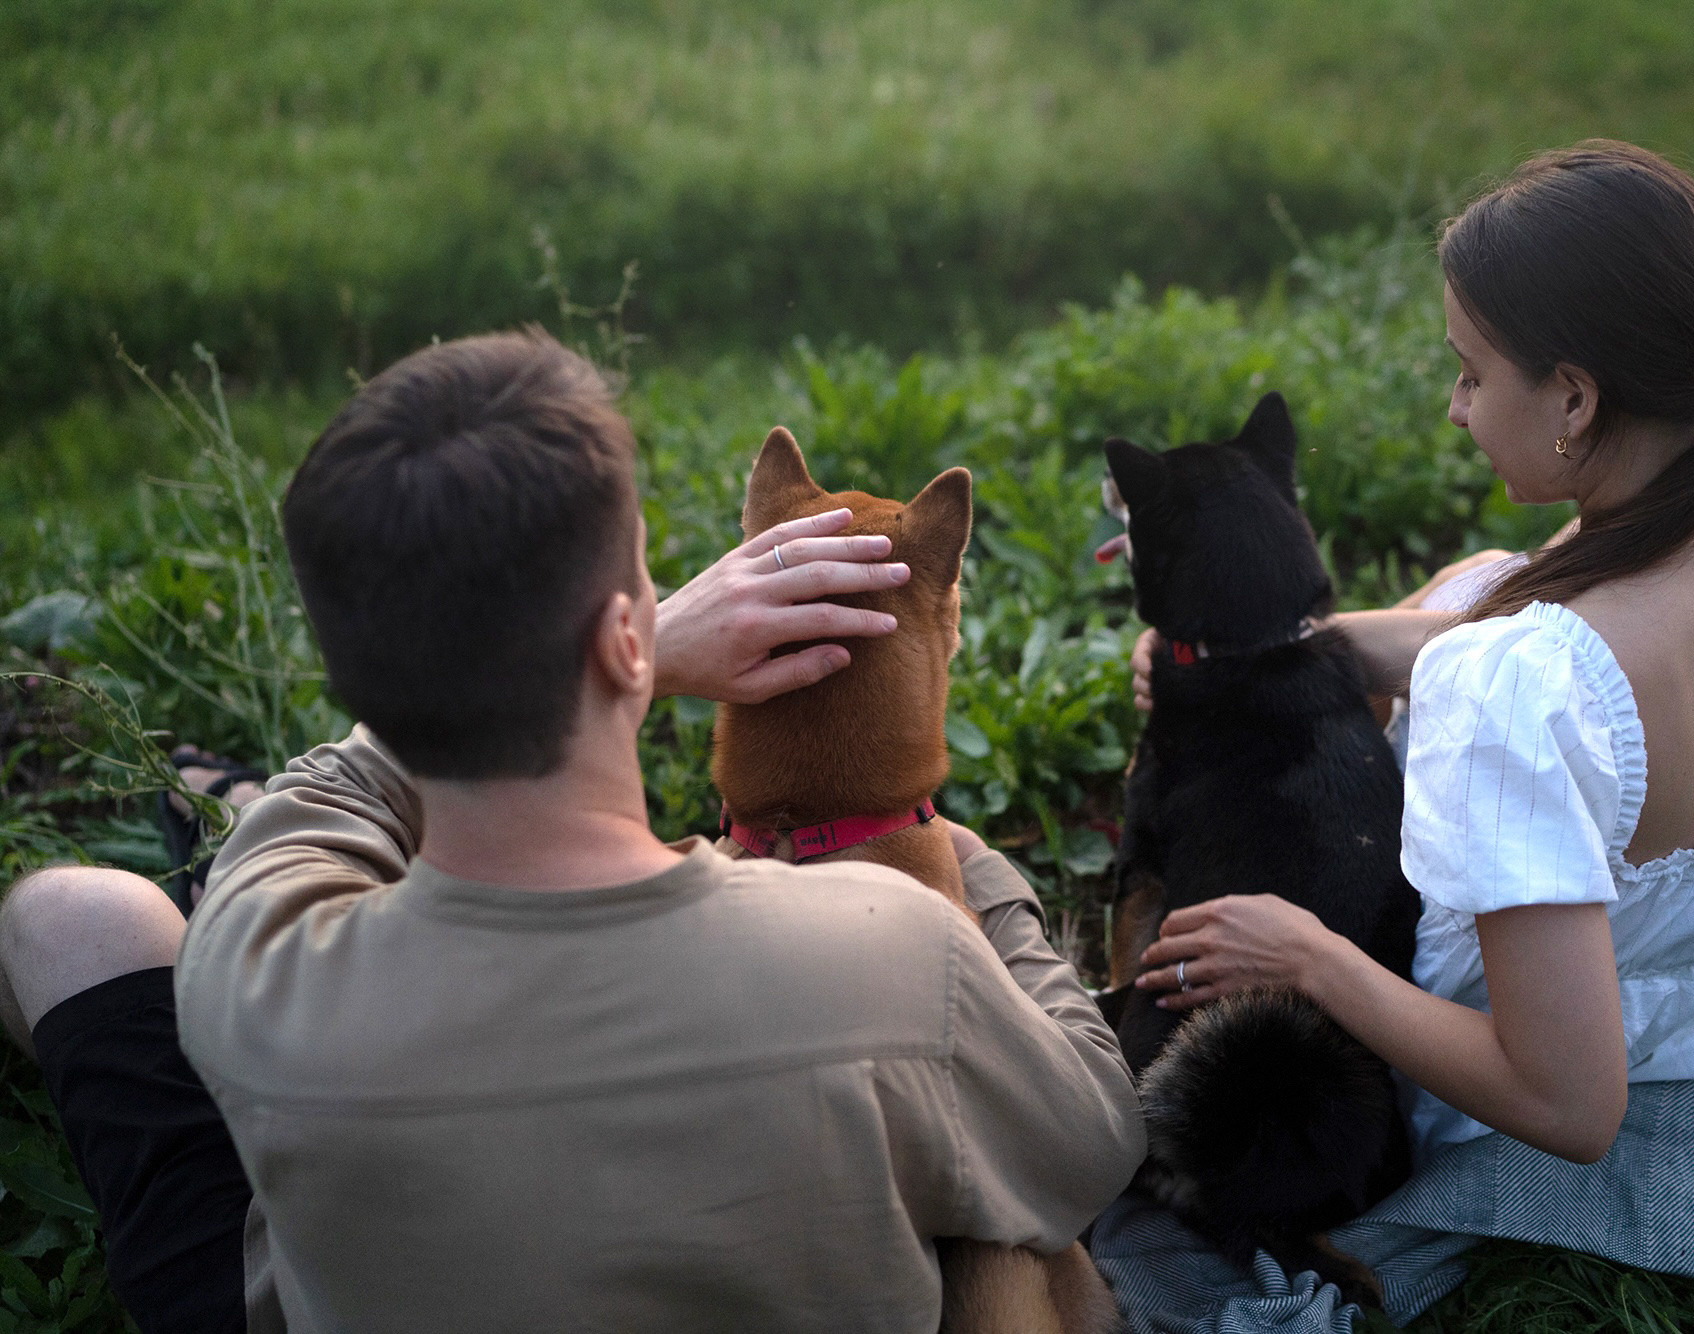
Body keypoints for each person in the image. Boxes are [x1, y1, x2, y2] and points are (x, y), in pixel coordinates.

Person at [0, 331, 1144, 1332]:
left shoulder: (257, 964)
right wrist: (941, 848)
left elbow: (324, 803)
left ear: (358, 678)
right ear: (624, 637)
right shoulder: (898, 958)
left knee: (65, 910)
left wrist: (627, 647)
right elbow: (1091, 1136)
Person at [1093, 140, 1694, 1329]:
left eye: (1467, 373)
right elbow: (1519, 624)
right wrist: (1264, 655)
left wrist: (1310, 956)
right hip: (1686, 1009)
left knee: (1108, 1175)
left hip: (1503, 1060)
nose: (1452, 407)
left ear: (1572, 397)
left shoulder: (1515, 692)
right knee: (1470, 581)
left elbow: (1567, 1105)